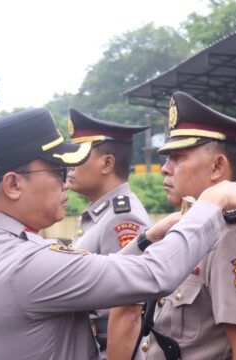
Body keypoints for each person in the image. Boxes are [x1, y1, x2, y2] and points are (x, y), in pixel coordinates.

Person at [0, 107, 236, 360]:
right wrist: (210, 204)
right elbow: (153, 275)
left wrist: (146, 239)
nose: (66, 183)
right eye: (57, 172)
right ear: (13, 185)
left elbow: (89, 279)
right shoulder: (24, 263)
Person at [133, 91, 236, 360]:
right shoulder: (189, 231)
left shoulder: (232, 238)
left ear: (216, 167)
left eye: (177, 157)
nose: (165, 168)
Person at [67, 108, 151, 359]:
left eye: (79, 156)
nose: (69, 164)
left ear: (107, 163)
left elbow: (128, 309)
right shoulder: (102, 214)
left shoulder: (122, 218)